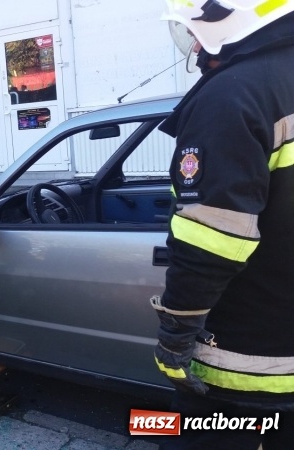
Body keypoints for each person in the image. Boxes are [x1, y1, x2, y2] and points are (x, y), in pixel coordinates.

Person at [152, 2, 294, 449]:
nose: (194, 47)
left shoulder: (234, 94)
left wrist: (174, 341)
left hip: (251, 374)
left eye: (193, 31)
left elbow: (209, 242)